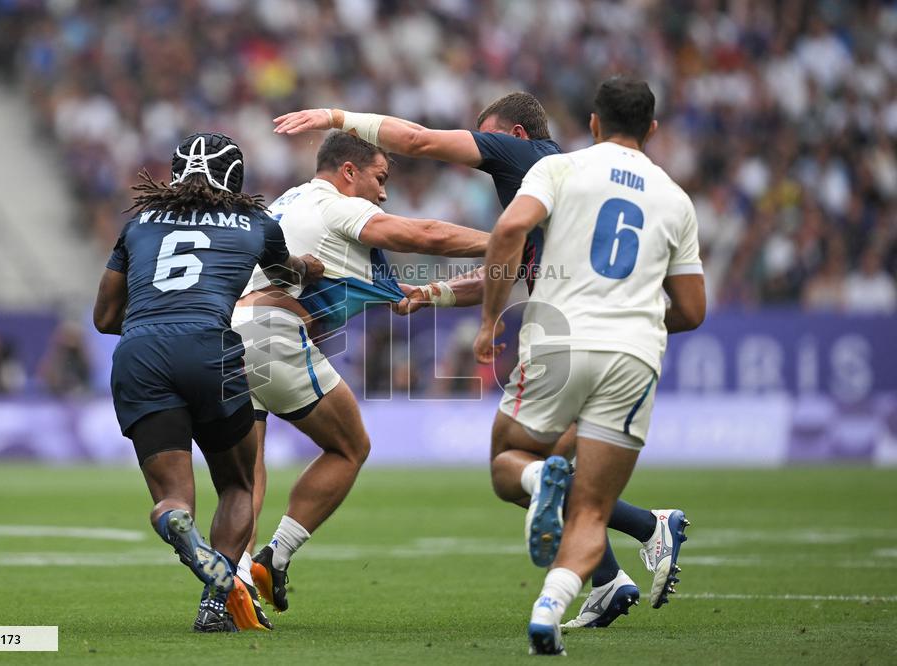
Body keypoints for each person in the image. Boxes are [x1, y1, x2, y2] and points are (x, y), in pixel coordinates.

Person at [274, 92, 686, 627]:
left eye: (487, 138)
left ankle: (645, 535)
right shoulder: (564, 188)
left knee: (517, 463)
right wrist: (433, 296)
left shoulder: (528, 159)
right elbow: (506, 273)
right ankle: (618, 567)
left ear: (512, 137)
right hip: (615, 342)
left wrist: (337, 117)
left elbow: (420, 142)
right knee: (544, 467)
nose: (482, 158)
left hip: (570, 336)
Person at [472, 76, 705, 655]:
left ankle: (541, 481)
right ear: (651, 130)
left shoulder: (561, 168)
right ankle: (550, 609)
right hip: (633, 356)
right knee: (592, 506)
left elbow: (508, 229)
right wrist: (638, 318)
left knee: (509, 460)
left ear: (594, 122)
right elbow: (693, 310)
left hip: (562, 341)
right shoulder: (675, 198)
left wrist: (488, 321)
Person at [231, 130, 489, 613]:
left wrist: (457, 285)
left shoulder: (289, 202)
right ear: (348, 172)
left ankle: (239, 577)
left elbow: (427, 292)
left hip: (231, 333)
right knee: (351, 446)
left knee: (247, 472)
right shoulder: (337, 207)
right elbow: (426, 235)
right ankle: (277, 555)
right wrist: (506, 240)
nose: (384, 193)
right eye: (379, 177)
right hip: (275, 332)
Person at [93, 132, 323, 633]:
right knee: (238, 483)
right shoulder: (258, 223)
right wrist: (309, 265)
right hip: (209, 350)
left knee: (174, 497)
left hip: (140, 353)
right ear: (237, 178)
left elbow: (105, 317)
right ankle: (215, 603)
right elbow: (285, 276)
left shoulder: (139, 225)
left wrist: (155, 321)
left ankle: (175, 520)